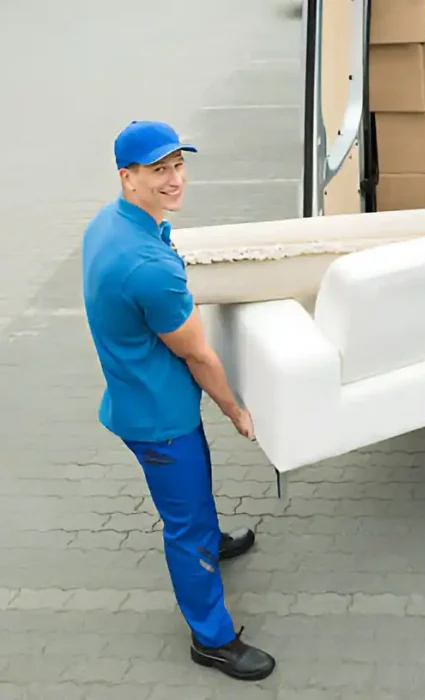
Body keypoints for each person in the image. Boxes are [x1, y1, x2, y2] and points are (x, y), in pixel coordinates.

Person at [81, 120, 276, 681]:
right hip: (159, 418)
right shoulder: (147, 266)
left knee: (196, 492)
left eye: (178, 166)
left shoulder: (111, 223)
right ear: (128, 177)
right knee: (183, 525)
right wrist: (237, 409)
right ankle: (211, 638)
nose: (174, 180)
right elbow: (199, 356)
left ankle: (213, 541)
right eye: (158, 171)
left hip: (138, 393)